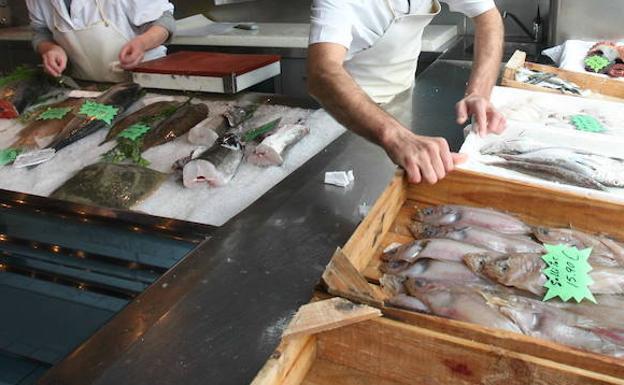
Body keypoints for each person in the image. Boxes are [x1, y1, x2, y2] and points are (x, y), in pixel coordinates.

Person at [307, 0, 506, 184]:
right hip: (350, 120)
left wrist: (478, 92)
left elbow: (488, 16)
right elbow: (322, 71)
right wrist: (394, 136)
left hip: (403, 102)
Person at [26, 0, 176, 82]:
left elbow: (163, 22)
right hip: (86, 85)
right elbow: (40, 31)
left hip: (144, 81)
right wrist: (49, 48)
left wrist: (142, 43)